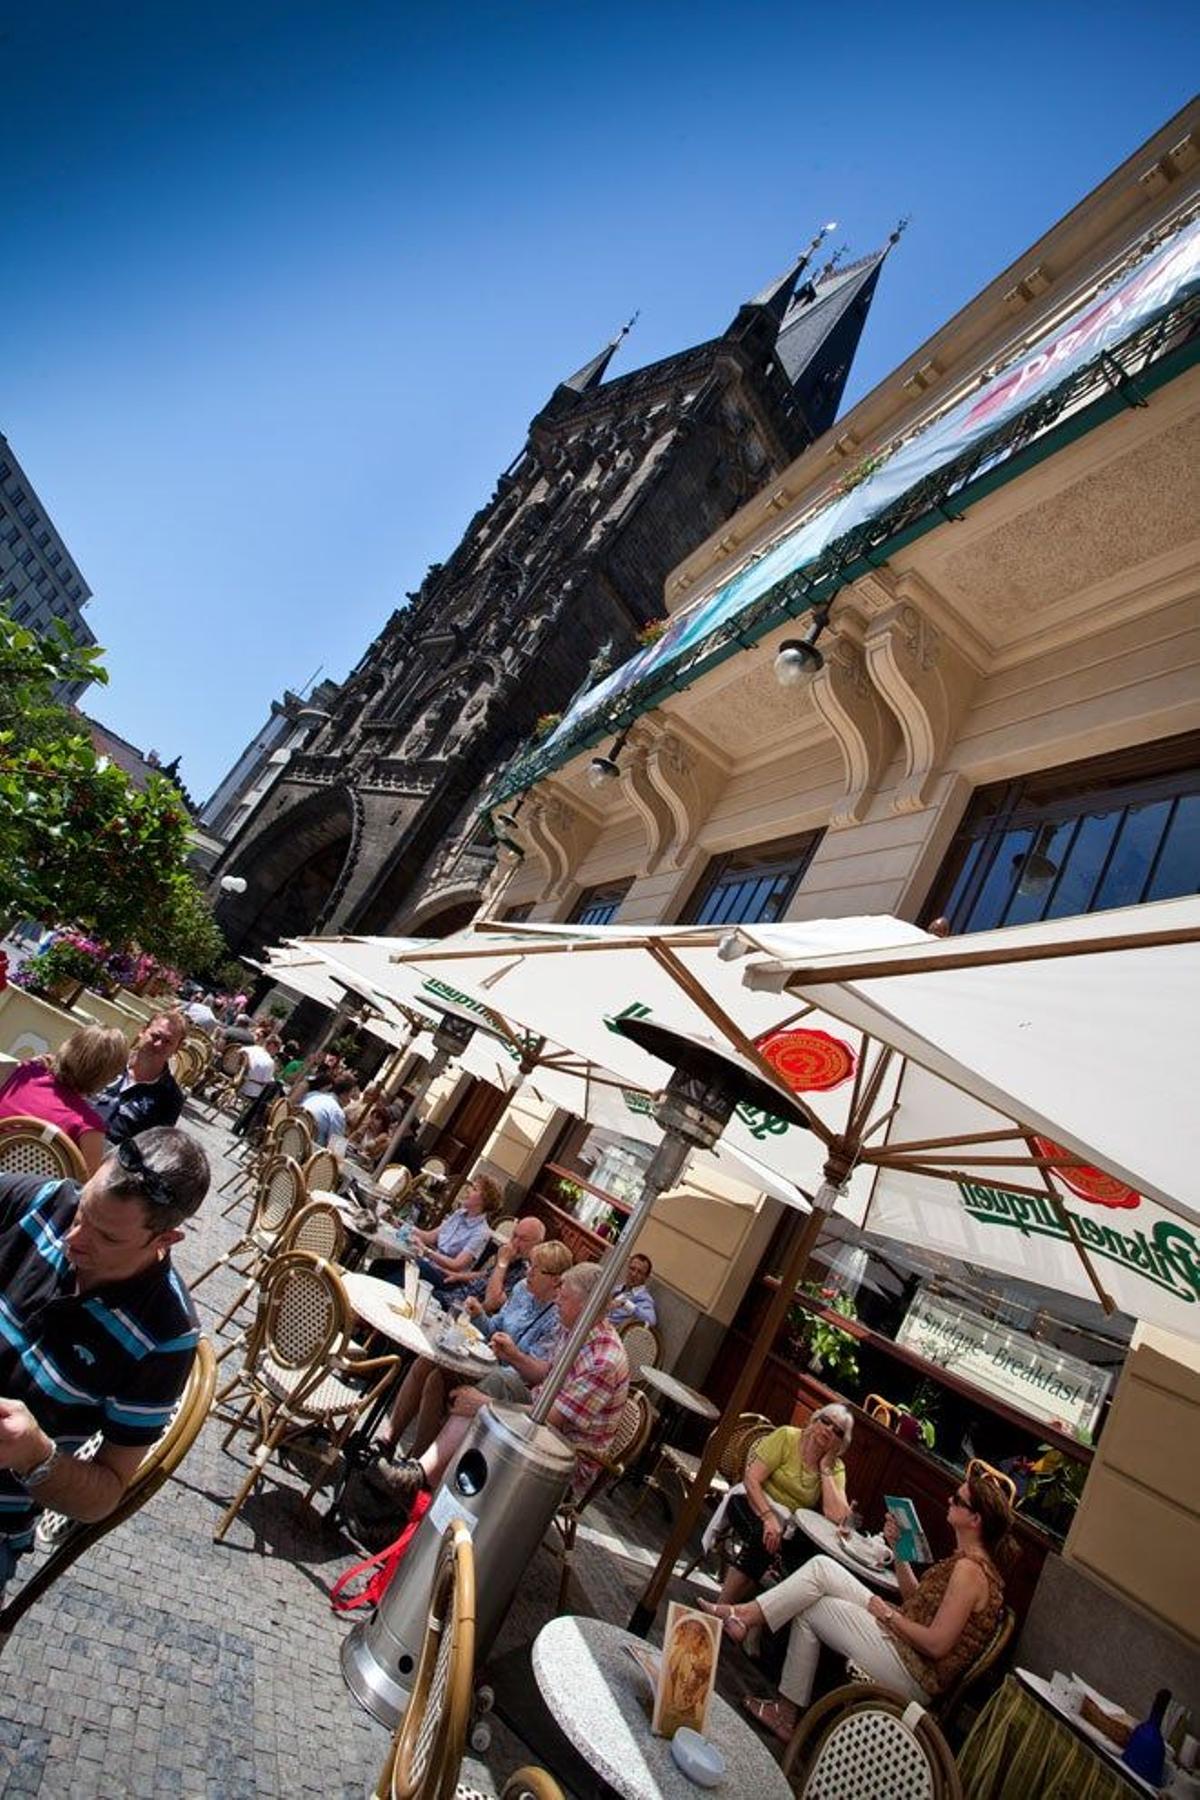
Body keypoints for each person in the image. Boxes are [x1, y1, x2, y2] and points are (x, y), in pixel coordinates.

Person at [0, 1127, 209, 1593]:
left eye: (108, 1237)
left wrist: (36, 1455)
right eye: (84, 1209)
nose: (74, 1238)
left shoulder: (164, 1335)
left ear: (166, 1239)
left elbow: (104, 1494)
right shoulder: (45, 1201)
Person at [702, 1470, 1013, 1743]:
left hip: (914, 1673)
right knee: (822, 1568)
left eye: (958, 1500)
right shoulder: (967, 1564)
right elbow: (916, 1601)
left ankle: (749, 1630)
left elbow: (936, 1645)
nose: (949, 1500)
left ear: (975, 1520)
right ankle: (745, 1620)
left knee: (813, 1605)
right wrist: (898, 1551)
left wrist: (888, 1615)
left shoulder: (970, 1572)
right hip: (904, 1650)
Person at [375, 1261, 630, 1513]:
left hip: (563, 1456)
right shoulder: (576, 1326)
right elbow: (545, 1374)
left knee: (493, 1388)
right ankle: (417, 1468)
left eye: (564, 1297)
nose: (557, 1302)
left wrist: (486, 1405)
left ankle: (421, 1479)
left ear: (587, 1306)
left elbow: (554, 1421)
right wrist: (514, 1356)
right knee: (440, 1373)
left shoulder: (604, 1361)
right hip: (539, 1409)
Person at [375, 1238, 572, 1457]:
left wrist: (512, 1355)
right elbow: (493, 1328)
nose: (529, 1273)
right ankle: (389, 1440)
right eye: (529, 1265)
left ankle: (416, 1460)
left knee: (437, 1378)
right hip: (482, 1361)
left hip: (506, 1383)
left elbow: (536, 1376)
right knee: (427, 1359)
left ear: (556, 1281)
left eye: (537, 1269)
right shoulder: (521, 1290)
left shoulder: (558, 1318)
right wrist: (478, 1315)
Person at [712, 1403, 853, 1607]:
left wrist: (825, 1467)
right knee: (763, 1536)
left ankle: (744, 1615)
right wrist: (769, 1517)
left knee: (805, 1558)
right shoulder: (787, 1437)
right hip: (751, 1500)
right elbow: (751, 1479)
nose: (829, 1429)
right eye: (826, 1421)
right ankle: (721, 1609)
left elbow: (837, 1515)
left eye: (838, 1431)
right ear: (815, 1421)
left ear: (841, 1444)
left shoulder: (835, 1467)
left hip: (788, 1524)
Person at [0, 1026, 128, 1175]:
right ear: (110, 1077)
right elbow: (86, 1189)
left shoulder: (23, 1074)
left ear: (67, 1047)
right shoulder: (88, 1127)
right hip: (16, 1194)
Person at [385, 1173, 500, 1289]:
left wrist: (426, 1251)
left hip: (444, 1276)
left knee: (400, 1274)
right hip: (429, 1264)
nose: (468, 1190)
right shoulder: (459, 1214)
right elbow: (429, 1237)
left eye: (474, 1189)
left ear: (484, 1201)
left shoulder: (482, 1232)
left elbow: (457, 1265)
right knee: (381, 1266)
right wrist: (401, 1225)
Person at [93, 1012, 187, 1144]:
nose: (158, 1045)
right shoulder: (109, 1058)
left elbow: (149, 1147)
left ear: (177, 1048)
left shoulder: (170, 1098)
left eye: (167, 1042)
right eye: (155, 1036)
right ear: (143, 1031)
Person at [433, 1213, 546, 1310]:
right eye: (514, 1236)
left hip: (466, 1309)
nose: (515, 1242)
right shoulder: (514, 1258)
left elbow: (493, 1302)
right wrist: (459, 1276)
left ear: (537, 1244)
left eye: (523, 1239)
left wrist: (502, 1262)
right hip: (459, 1291)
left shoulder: (527, 1273)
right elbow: (487, 1274)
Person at [299, 1072, 356, 1147]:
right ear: (343, 1094)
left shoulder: (313, 1095)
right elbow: (335, 1147)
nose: (350, 1101)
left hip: (290, 1137)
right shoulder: (337, 1112)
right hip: (308, 1148)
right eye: (350, 1096)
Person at [609, 1252, 657, 1327]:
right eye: (632, 1269)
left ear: (646, 1277)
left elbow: (651, 1320)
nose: (634, 1274)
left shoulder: (644, 1298)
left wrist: (625, 1303)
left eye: (639, 1272)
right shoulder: (619, 1288)